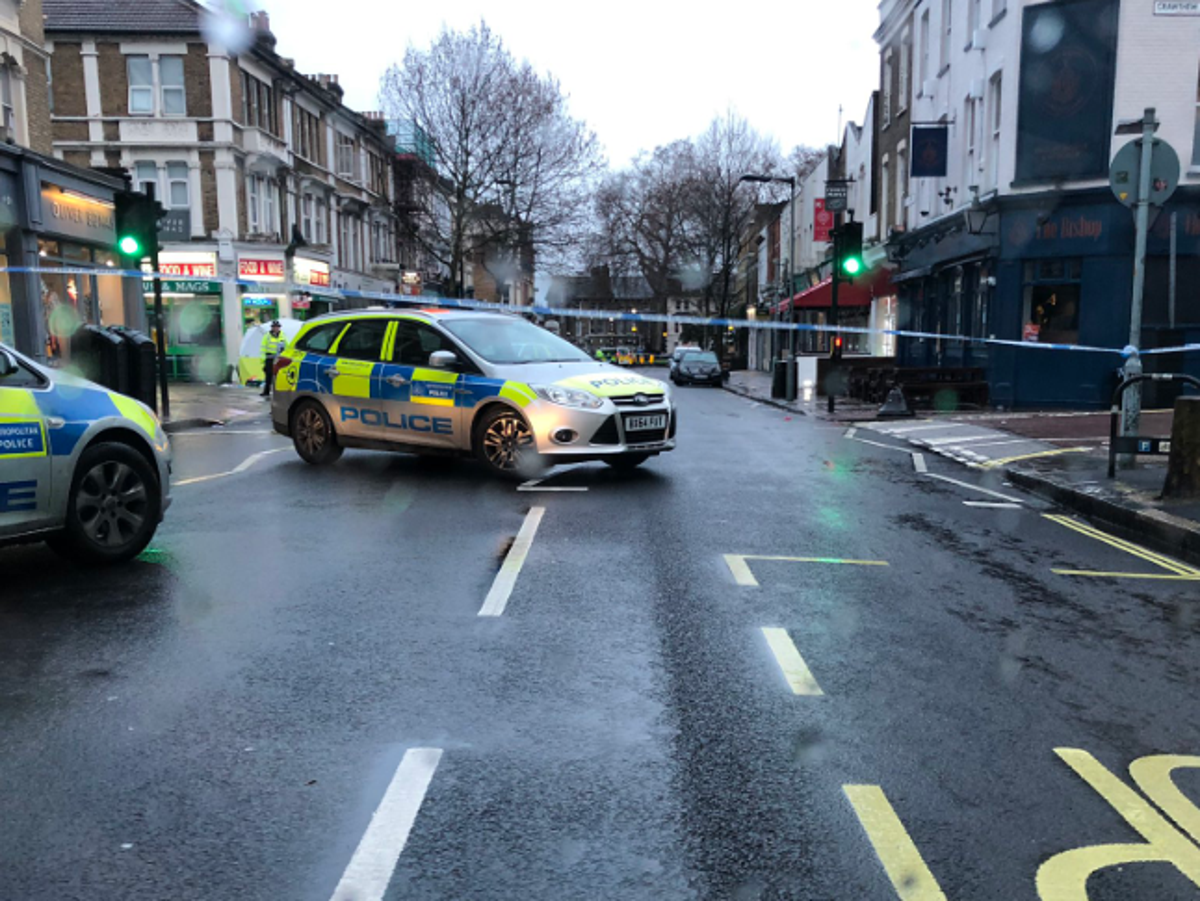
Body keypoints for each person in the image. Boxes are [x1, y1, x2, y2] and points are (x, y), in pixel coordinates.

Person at [260, 320, 286, 397]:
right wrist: (263, 359)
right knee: (268, 375)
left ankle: (277, 392)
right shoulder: (267, 336)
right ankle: (266, 391)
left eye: (277, 327)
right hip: (269, 358)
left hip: (278, 358)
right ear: (272, 328)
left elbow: (286, 346)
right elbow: (263, 347)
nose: (276, 328)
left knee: (278, 375)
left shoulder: (283, 335)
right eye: (274, 327)